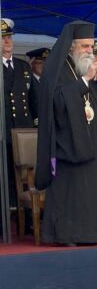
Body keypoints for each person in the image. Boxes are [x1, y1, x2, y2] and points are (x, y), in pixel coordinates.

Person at [35, 21, 97, 246]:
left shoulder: (88, 68)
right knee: (73, 193)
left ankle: (96, 232)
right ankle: (68, 234)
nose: (89, 51)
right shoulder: (57, 68)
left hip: (93, 144)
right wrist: (85, 81)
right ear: (70, 47)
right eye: (84, 46)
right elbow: (58, 102)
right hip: (68, 145)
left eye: (91, 47)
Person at [2, 19, 36, 209]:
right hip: (3, 130)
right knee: (6, 176)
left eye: (9, 37)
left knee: (27, 174)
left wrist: (36, 126)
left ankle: (28, 217)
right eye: (3, 38)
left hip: (24, 129)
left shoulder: (23, 66)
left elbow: (34, 100)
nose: (7, 41)